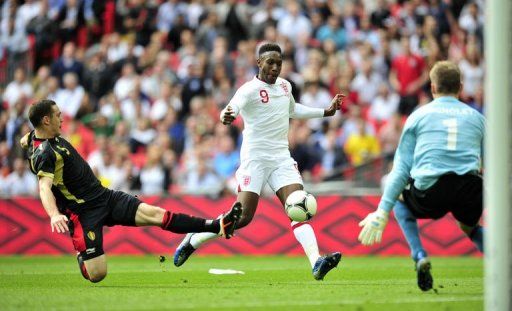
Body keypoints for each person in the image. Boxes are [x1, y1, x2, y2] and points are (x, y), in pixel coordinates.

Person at [20, 99, 242, 283]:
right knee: (97, 274)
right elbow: (44, 187)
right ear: (46, 120)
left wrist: (27, 138)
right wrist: (54, 215)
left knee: (155, 214)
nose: (62, 118)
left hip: (105, 197)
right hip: (83, 213)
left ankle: (216, 225)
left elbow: (29, 137)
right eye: (58, 115)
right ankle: (82, 254)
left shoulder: (39, 136)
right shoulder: (45, 154)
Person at [174, 43, 344, 280]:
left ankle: (316, 262)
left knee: (298, 206)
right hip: (254, 159)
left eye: (279, 63)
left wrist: (325, 112)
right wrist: (227, 115)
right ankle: (195, 237)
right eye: (270, 62)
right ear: (259, 63)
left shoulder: (285, 86)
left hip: (281, 157)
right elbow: (231, 108)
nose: (275, 67)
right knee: (242, 218)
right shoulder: (248, 89)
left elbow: (293, 110)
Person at [358, 61, 485, 291]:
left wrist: (382, 211)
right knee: (470, 227)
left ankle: (419, 254)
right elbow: (495, 164)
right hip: (469, 188)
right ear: (461, 87)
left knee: (398, 195)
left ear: (433, 87)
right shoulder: (478, 118)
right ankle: (501, 262)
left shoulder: (418, 116)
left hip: (431, 190)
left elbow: (401, 168)